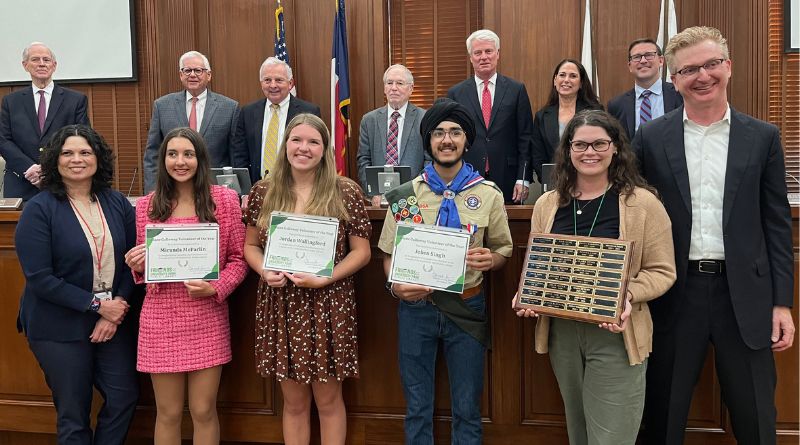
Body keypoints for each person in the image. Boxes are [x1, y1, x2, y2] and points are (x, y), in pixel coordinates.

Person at [633, 26, 795, 445]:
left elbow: (777, 224)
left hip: (745, 296)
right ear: (674, 79)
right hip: (674, 294)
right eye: (689, 69)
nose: (702, 76)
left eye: (711, 64)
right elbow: (633, 213)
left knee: (757, 417)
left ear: (729, 67)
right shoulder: (651, 137)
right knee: (662, 414)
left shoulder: (763, 137)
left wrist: (782, 303)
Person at [513, 110, 676, 445]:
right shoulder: (546, 204)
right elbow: (540, 265)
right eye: (581, 144)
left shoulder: (643, 203)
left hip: (617, 333)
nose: (590, 152)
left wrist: (625, 294)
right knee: (579, 432)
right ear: (568, 151)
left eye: (600, 143)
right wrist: (527, 294)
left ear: (615, 148)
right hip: (563, 334)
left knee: (612, 436)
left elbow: (663, 271)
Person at [378, 98, 512, 444]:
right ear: (429, 142)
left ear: (467, 140)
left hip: (466, 306)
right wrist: (396, 287)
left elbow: (503, 250)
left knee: (468, 407)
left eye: (455, 132)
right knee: (417, 405)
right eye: (438, 133)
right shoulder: (406, 195)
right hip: (416, 311)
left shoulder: (487, 194)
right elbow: (390, 256)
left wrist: (491, 260)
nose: (447, 139)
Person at [242, 114, 371, 444]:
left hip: (329, 302)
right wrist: (263, 270)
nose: (303, 148)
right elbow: (251, 246)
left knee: (328, 401)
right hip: (281, 302)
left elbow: (361, 252)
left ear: (325, 149)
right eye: (296, 140)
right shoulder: (263, 192)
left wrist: (326, 278)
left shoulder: (346, 191)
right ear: (285, 144)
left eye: (313, 142)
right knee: (294, 402)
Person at [15, 124, 138, 444]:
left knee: (123, 397)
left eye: (85, 152)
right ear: (55, 160)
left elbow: (132, 262)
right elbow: (40, 278)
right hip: (58, 324)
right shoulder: (38, 209)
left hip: (112, 319)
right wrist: (99, 306)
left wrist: (117, 308)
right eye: (67, 153)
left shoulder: (116, 203)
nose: (77, 159)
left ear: (98, 158)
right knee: (74, 413)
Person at [125, 127, 248, 444]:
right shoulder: (146, 206)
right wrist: (138, 266)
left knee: (204, 410)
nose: (180, 161)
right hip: (160, 319)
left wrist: (216, 288)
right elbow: (145, 266)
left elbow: (238, 258)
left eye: (188, 154)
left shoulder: (224, 200)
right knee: (166, 412)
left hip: (206, 316)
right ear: (163, 159)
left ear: (200, 159)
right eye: (173, 154)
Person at [447, 29, 534, 203]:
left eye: (488, 51)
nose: (483, 57)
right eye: (477, 53)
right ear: (471, 57)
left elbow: (526, 136)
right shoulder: (456, 93)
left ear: (498, 54)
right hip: (466, 176)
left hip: (508, 177)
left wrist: (523, 178)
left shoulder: (516, 90)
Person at [0, 42, 90, 200]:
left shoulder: (75, 100)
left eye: (46, 60)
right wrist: (29, 168)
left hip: (61, 181)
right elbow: (3, 140)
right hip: (21, 181)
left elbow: (81, 139)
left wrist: (48, 169)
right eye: (35, 59)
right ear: (25, 65)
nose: (41, 64)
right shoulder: (11, 101)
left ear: (54, 65)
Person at [142, 51, 240, 193]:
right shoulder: (162, 106)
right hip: (172, 188)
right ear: (181, 75)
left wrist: (235, 192)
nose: (192, 75)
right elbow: (153, 154)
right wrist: (153, 191)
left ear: (209, 75)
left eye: (198, 70)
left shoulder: (229, 107)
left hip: (214, 189)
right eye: (187, 70)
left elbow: (235, 155)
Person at [232, 57, 321, 184]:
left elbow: (314, 152)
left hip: (295, 187)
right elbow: (240, 155)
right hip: (257, 188)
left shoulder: (309, 111)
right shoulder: (248, 112)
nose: (273, 85)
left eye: (279, 80)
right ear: (261, 83)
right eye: (267, 80)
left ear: (290, 83)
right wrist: (246, 189)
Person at [356, 64, 428, 206]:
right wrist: (373, 193)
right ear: (384, 88)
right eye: (389, 83)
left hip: (415, 199)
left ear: (411, 89)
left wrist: (416, 192)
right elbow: (363, 159)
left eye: (400, 83)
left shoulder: (424, 118)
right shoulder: (369, 120)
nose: (393, 88)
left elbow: (429, 161)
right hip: (379, 200)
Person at [530, 59, 603, 184]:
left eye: (573, 76)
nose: (566, 80)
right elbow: (537, 156)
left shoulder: (595, 112)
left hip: (590, 181)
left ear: (581, 83)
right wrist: (550, 180)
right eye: (562, 75)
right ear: (555, 80)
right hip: (554, 182)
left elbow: (601, 148)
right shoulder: (542, 116)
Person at [607, 38, 683, 141]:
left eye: (649, 55)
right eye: (637, 57)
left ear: (661, 61)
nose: (643, 61)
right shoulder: (616, 105)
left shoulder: (680, 93)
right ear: (630, 66)